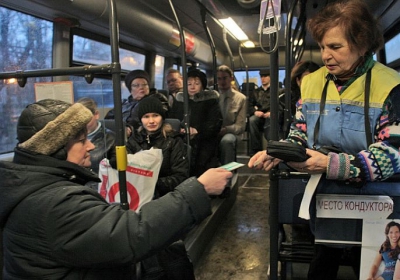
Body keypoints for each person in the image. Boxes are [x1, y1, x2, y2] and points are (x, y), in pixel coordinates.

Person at [248, 0, 400, 279]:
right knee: (325, 256)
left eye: (336, 47)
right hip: (326, 196)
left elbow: (393, 153)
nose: (326, 55)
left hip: (376, 199)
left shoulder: (391, 86)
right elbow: (300, 132)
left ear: (362, 44)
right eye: (322, 47)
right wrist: (284, 151)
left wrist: (333, 164)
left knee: (366, 263)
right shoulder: (312, 82)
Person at [0, 98, 233, 279]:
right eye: (82, 140)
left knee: (169, 251)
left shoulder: (29, 184)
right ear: (57, 148)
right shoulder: (54, 203)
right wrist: (199, 189)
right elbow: (132, 234)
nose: (91, 146)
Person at [124, 97, 190, 198]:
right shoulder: (134, 140)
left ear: (162, 117)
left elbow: (180, 177)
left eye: (155, 115)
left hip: (164, 196)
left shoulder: (173, 141)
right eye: (146, 116)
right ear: (141, 119)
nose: (151, 121)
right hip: (136, 193)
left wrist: (150, 183)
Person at [169, 69, 223, 176]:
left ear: (203, 85)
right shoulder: (179, 101)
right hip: (181, 138)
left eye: (196, 84)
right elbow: (173, 119)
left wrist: (197, 131)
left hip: (204, 139)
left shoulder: (210, 101)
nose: (192, 87)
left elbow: (214, 123)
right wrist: (179, 130)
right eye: (189, 84)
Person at [76, 97, 116, 175]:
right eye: (78, 117)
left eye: (85, 116)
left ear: (96, 114)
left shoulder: (112, 139)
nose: (82, 120)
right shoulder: (72, 138)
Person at [248, 69, 283, 155]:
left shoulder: (278, 91)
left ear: (270, 77)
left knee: (272, 118)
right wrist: (255, 111)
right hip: (259, 115)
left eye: (265, 76)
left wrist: (272, 112)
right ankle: (255, 150)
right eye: (261, 77)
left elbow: (282, 107)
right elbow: (249, 105)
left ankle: (272, 149)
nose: (263, 79)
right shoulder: (256, 92)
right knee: (252, 120)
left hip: (271, 115)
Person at [217, 64, 247, 165]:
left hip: (232, 133)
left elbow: (240, 126)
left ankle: (227, 172)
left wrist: (226, 129)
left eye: (225, 78)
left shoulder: (240, 98)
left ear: (231, 78)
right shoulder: (213, 96)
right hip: (214, 131)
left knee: (227, 141)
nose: (222, 82)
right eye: (219, 79)